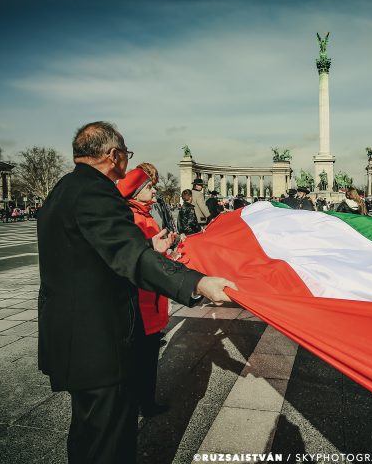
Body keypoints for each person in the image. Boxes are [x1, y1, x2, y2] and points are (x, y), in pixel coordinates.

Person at [37, 121, 236, 464]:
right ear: (114, 156)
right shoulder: (98, 191)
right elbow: (130, 258)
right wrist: (197, 282)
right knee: (110, 441)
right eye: (126, 155)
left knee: (88, 434)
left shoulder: (64, 189)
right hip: (99, 341)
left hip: (69, 337)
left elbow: (92, 252)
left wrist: (145, 244)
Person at [117, 166, 170, 417]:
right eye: (149, 186)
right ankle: (145, 403)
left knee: (147, 354)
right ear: (136, 192)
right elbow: (140, 258)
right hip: (143, 298)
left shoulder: (145, 214)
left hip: (151, 296)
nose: (154, 189)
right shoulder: (135, 217)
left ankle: (145, 400)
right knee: (144, 357)